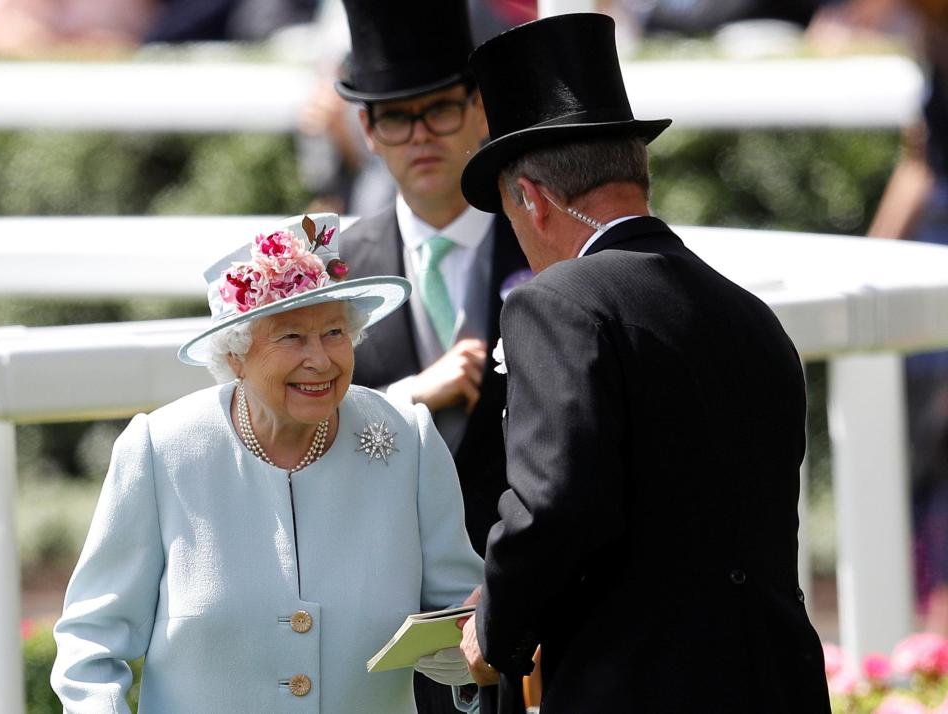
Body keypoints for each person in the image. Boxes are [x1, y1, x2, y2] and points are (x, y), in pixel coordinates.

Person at [456, 13, 832, 713]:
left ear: (531, 201)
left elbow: (552, 503)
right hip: (778, 684)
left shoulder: (558, 300)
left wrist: (495, 624)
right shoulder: (750, 313)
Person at [50, 213, 483, 712]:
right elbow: (91, 644)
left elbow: (463, 622)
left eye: (335, 332)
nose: (320, 360)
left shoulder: (408, 441)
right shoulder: (161, 450)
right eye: (291, 337)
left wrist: (486, 640)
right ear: (234, 356)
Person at [333, 3, 528, 711]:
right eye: (394, 117)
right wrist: (410, 394)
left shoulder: (543, 243)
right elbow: (297, 442)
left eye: (439, 110)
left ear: (479, 107)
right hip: (377, 626)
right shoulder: (336, 272)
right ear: (367, 130)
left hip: (534, 627)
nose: (419, 136)